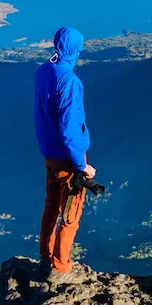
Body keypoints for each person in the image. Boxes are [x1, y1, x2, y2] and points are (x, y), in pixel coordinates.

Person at [34, 26, 95, 282]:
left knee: (51, 206)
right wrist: (81, 165)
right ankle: (60, 268)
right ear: (76, 49)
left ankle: (45, 256)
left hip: (49, 154)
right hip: (68, 158)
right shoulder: (69, 80)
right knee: (70, 213)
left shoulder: (43, 71)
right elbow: (70, 128)